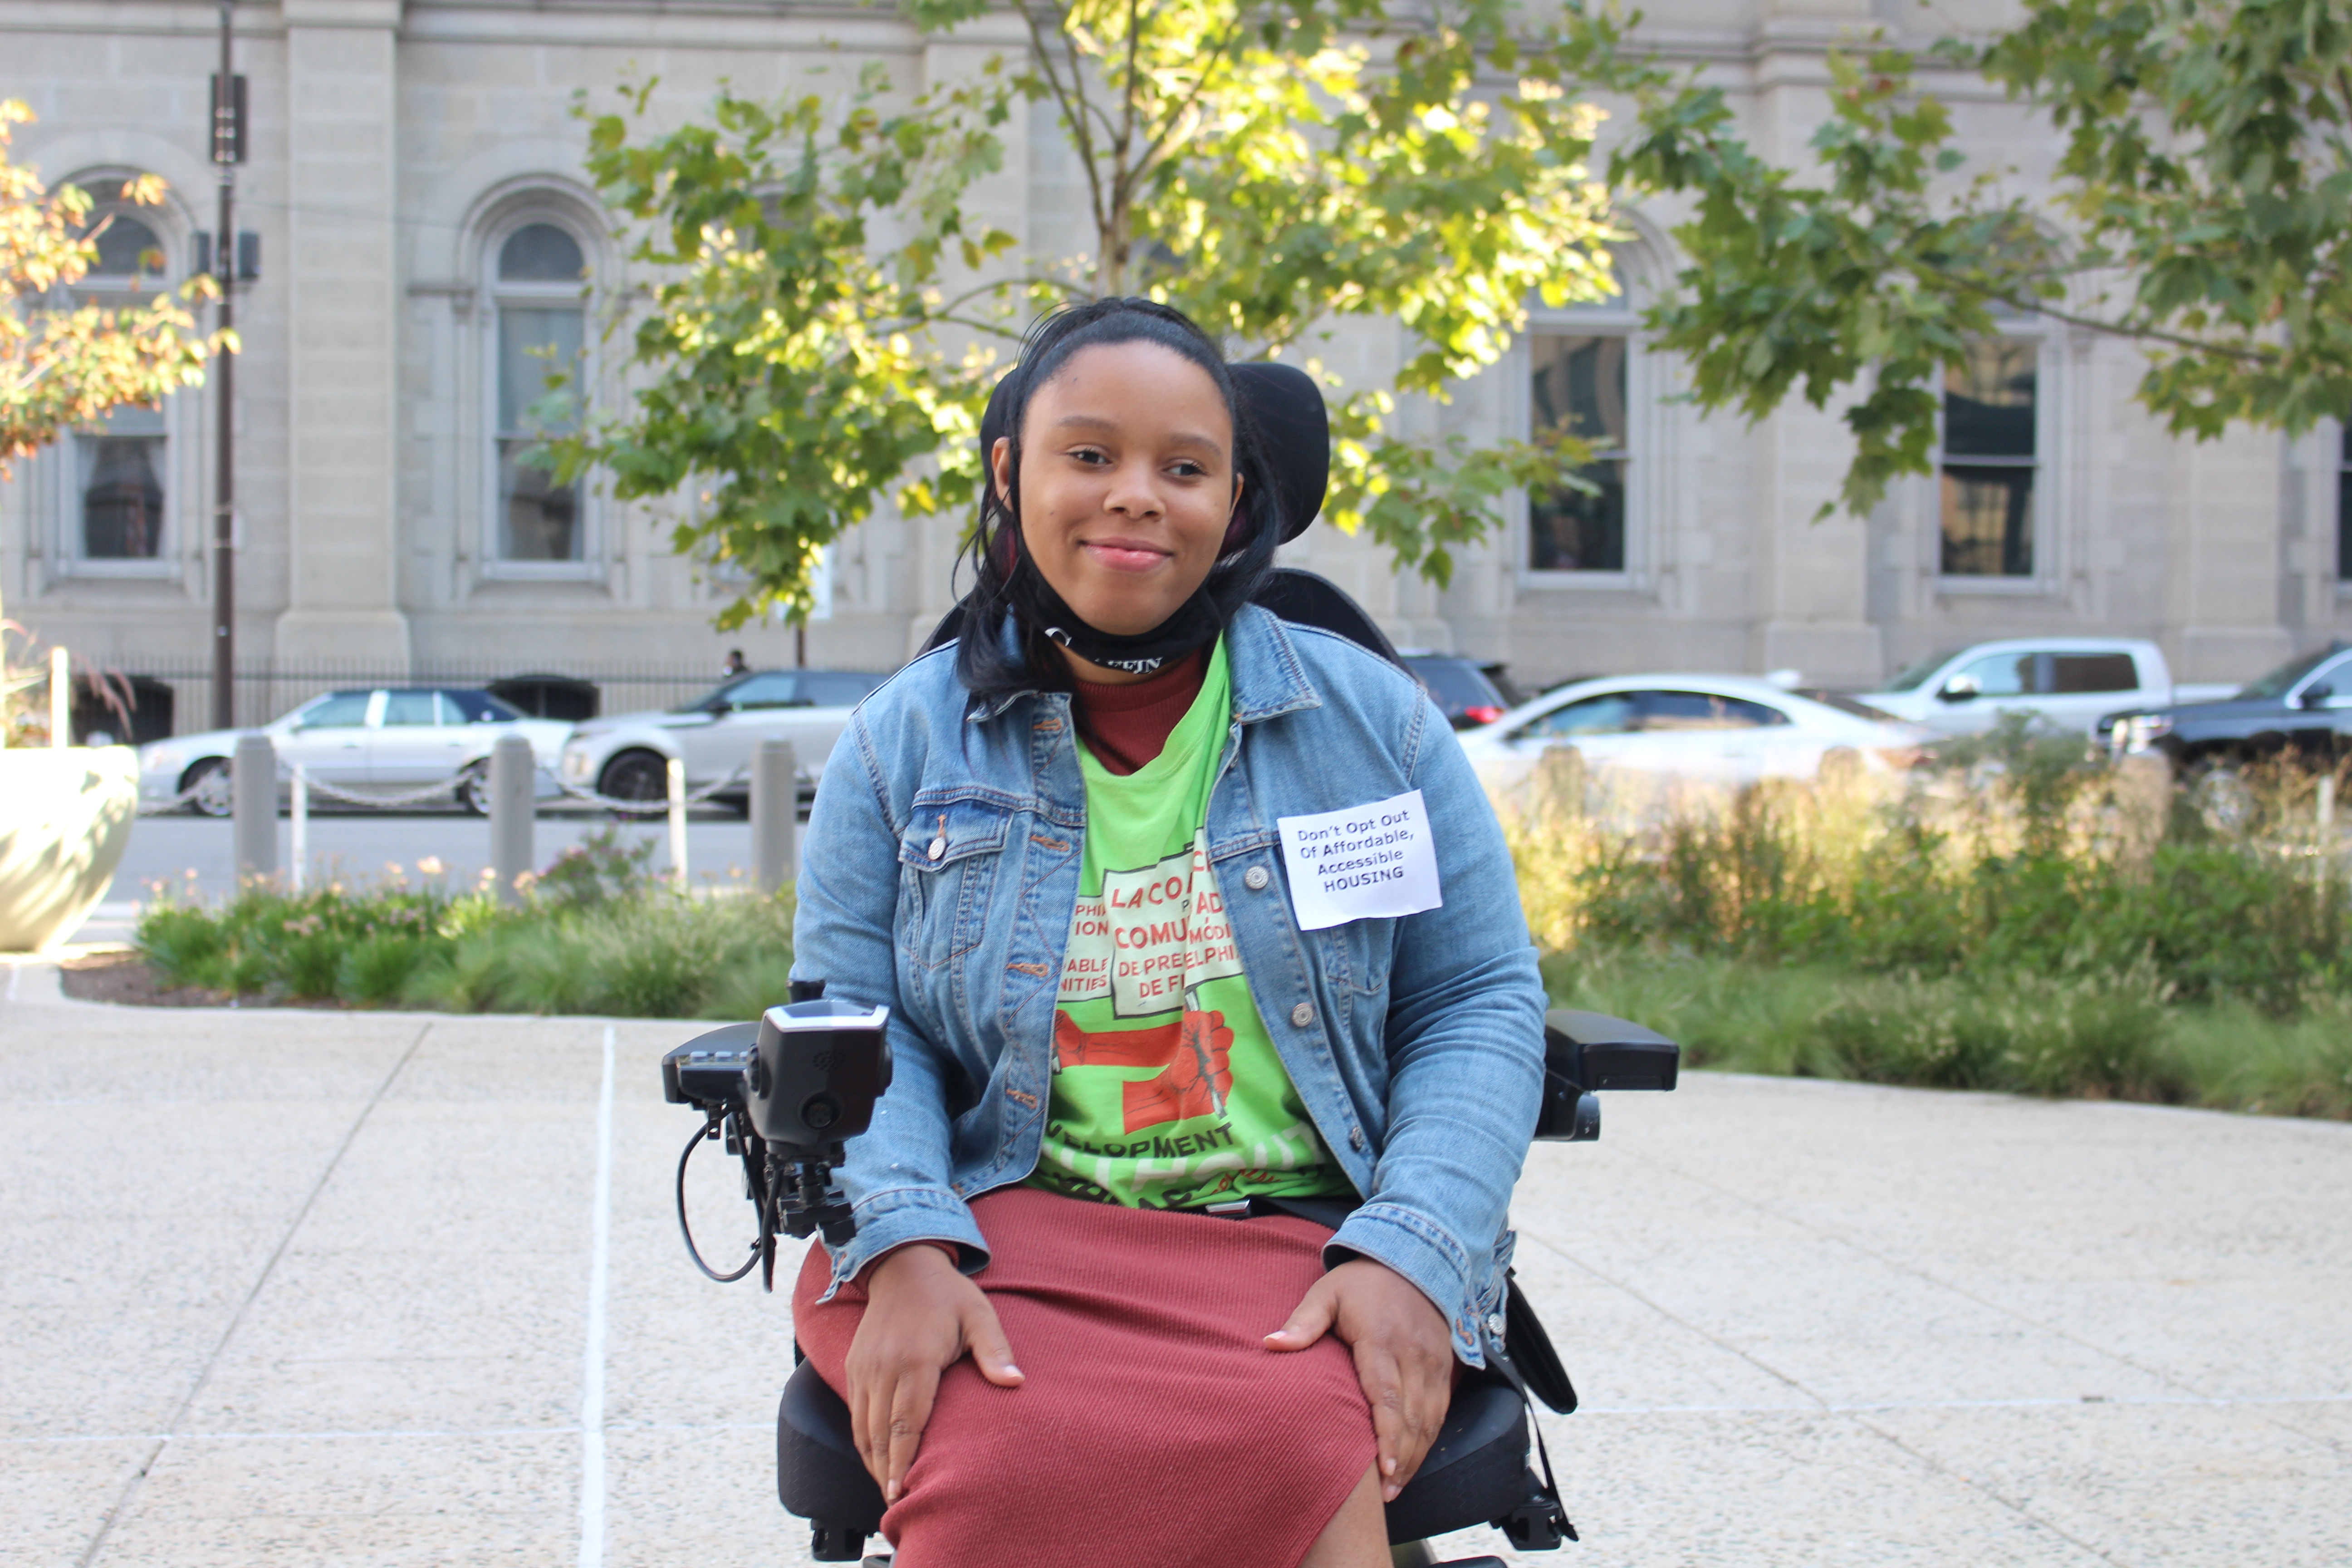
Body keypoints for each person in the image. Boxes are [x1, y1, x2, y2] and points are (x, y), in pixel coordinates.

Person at [789, 298, 1545, 1568]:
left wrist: (1413, 1252)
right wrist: (904, 1243)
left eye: (1183, 468)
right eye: (1089, 455)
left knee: (1294, 1443)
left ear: (1236, 500)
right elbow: (855, 1028)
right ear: (1009, 475)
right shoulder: (900, 747)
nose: (1136, 495)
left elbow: (1475, 1000)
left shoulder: (1379, 728)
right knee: (993, 1442)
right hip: (992, 1220)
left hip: (1291, 1230)